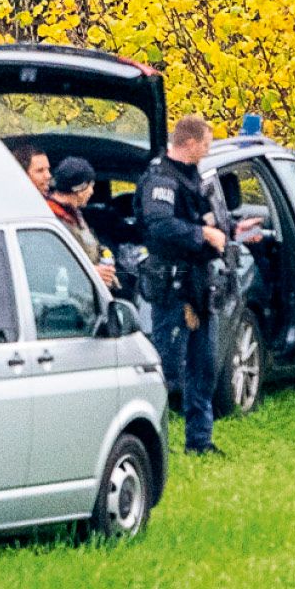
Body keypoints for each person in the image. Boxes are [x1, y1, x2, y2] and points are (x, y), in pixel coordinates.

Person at [137, 115, 230, 457]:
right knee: (167, 368)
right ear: (189, 143)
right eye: (206, 143)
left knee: (204, 365)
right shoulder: (160, 178)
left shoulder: (195, 177)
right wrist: (201, 234)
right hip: (172, 286)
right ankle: (153, 446)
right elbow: (159, 224)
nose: (207, 150)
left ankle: (200, 440)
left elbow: (202, 214)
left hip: (200, 283)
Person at [48, 154, 118, 290]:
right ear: (79, 188)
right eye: (90, 186)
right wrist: (91, 272)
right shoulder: (51, 222)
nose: (92, 192)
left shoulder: (75, 214)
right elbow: (49, 270)